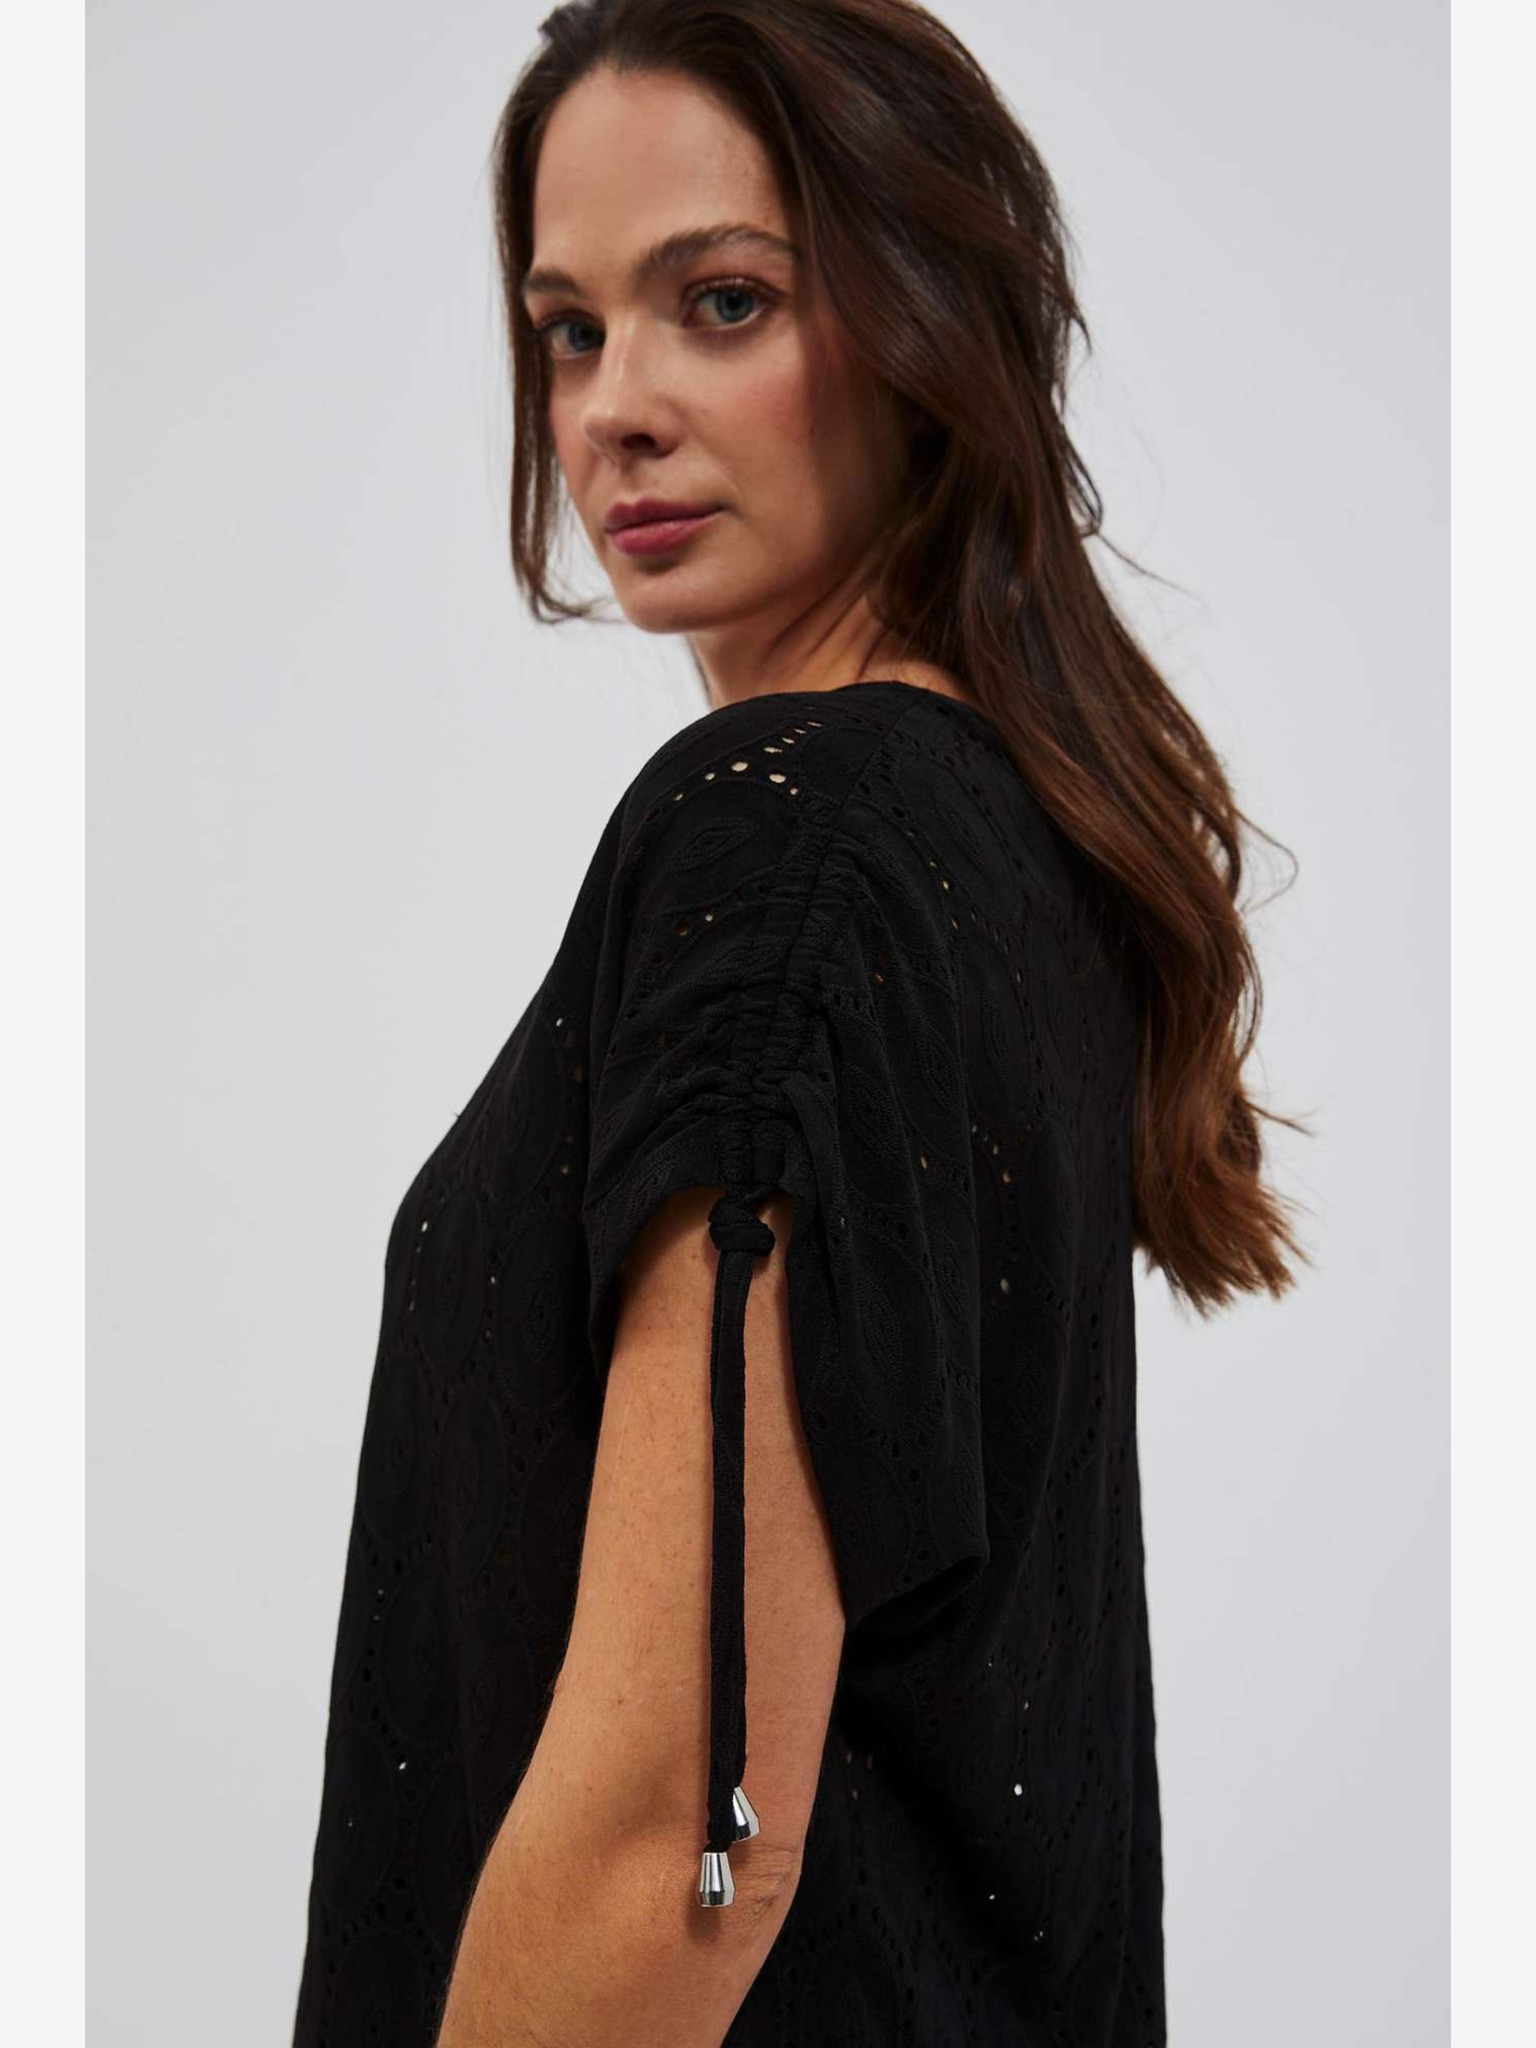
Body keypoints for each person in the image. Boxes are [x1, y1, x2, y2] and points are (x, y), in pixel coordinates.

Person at [291, 3, 1310, 2042]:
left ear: (928, 324)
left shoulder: (795, 835)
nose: (615, 409)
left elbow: (682, 1837)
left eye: (725, 302)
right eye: (569, 329)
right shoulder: (982, 845)